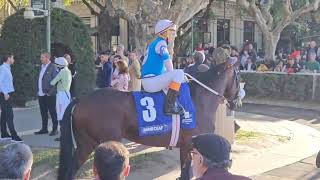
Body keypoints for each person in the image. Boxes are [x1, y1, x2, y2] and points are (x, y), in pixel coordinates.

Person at [141, 19, 185, 115]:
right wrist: (176, 77)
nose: (175, 34)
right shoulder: (161, 43)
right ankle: (170, 106)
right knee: (179, 73)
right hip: (151, 81)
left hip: (149, 80)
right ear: (164, 32)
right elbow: (168, 65)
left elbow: (164, 70)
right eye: (172, 31)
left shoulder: (155, 43)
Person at [34, 52, 59, 136]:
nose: (41, 59)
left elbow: (56, 81)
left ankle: (55, 129)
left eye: (42, 57)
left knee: (52, 112)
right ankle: (44, 129)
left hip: (49, 94)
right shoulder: (41, 67)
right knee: (43, 112)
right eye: (41, 57)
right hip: (41, 94)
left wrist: (50, 93)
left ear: (47, 58)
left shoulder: (53, 67)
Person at [0, 54, 22, 142]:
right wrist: (5, 93)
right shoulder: (3, 68)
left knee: (4, 115)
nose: (14, 59)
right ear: (8, 58)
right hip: (5, 94)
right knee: (9, 114)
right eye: (13, 58)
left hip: (6, 93)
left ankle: (4, 134)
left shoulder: (7, 68)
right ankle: (14, 135)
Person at [50, 57, 72, 141]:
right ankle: (65, 134)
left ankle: (63, 135)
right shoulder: (68, 70)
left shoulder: (62, 72)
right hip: (66, 94)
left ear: (60, 65)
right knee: (65, 115)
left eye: (56, 65)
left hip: (61, 95)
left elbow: (52, 82)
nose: (55, 66)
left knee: (61, 115)